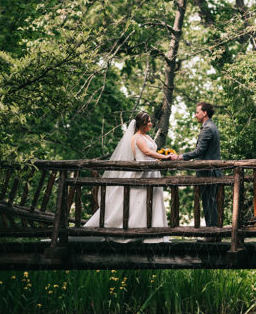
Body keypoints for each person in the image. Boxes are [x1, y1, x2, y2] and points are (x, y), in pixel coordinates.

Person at [84, 112, 171, 242]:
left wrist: (159, 161)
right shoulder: (138, 138)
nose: (150, 124)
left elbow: (150, 153)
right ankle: (131, 228)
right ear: (141, 124)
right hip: (142, 172)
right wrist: (165, 157)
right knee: (138, 199)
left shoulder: (146, 136)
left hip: (151, 171)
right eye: (148, 122)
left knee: (150, 199)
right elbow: (146, 152)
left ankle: (153, 231)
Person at [170, 101, 222, 236]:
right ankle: (214, 234)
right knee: (210, 202)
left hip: (208, 172)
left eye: (197, 112)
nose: (195, 115)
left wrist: (181, 157)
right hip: (211, 171)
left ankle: (212, 234)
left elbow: (199, 151)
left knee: (209, 203)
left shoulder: (207, 128)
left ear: (205, 113)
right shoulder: (211, 126)